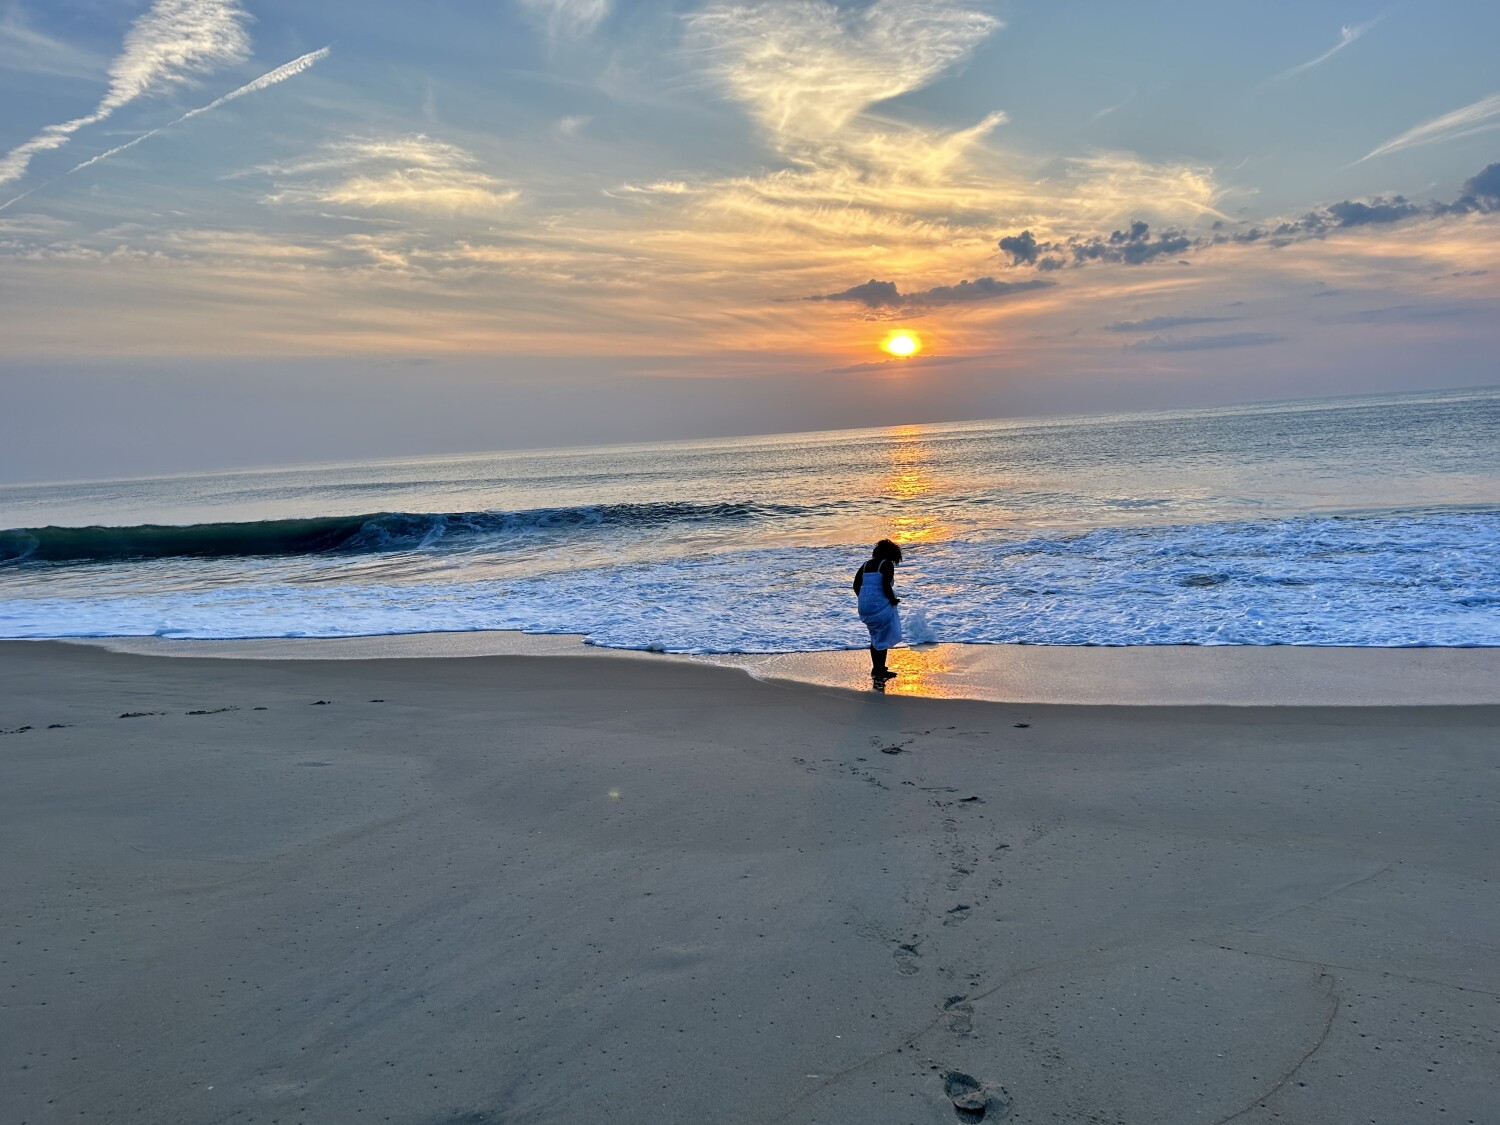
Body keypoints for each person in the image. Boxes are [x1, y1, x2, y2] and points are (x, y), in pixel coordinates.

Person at [853, 539, 902, 682]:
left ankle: (878, 668)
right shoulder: (886, 564)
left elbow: (856, 585)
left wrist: (864, 599)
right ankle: (879, 670)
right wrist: (892, 600)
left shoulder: (865, 565)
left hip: (864, 607)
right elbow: (885, 585)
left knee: (876, 635)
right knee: (883, 634)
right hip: (879, 606)